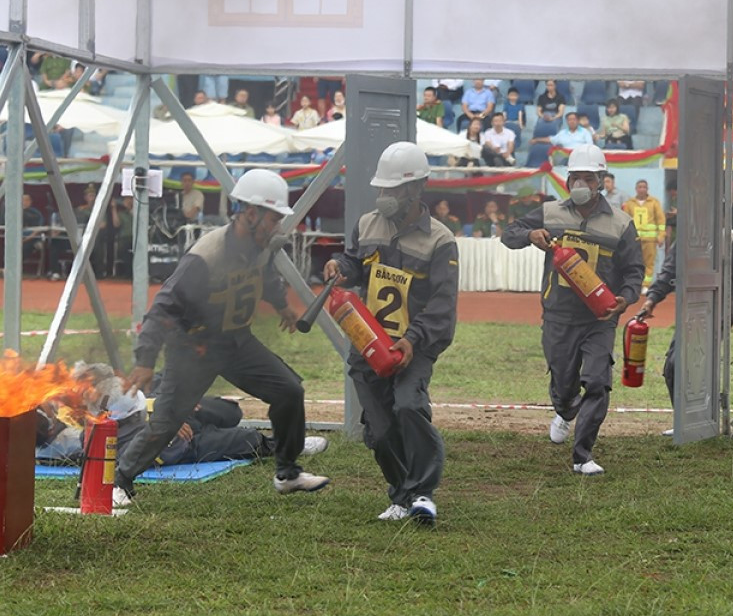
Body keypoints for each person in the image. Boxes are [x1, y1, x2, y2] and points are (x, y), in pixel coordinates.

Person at [119, 169, 326, 507]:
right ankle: (120, 480)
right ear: (250, 214)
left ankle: (287, 473)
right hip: (194, 349)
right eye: (273, 218)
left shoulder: (261, 245)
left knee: (289, 390)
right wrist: (145, 361)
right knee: (167, 422)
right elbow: (162, 308)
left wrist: (282, 307)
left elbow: (266, 275)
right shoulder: (206, 256)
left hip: (236, 342)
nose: (277, 227)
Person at [324, 142, 458, 524]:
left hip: (410, 345)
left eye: (393, 190)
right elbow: (354, 261)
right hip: (367, 343)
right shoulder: (367, 224)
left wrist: (414, 340)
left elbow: (442, 304)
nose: (384, 197)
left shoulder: (440, 240)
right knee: (379, 430)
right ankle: (402, 494)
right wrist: (339, 265)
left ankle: (424, 493)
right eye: (381, 189)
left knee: (409, 407)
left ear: (418, 188)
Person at [501, 144, 644, 475]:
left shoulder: (621, 223)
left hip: (599, 318)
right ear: (567, 180)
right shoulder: (550, 214)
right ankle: (565, 411)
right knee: (564, 386)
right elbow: (510, 234)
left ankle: (583, 455)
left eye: (588, 178)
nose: (580, 184)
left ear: (601, 181)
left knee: (597, 381)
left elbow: (634, 270)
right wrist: (530, 234)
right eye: (575, 178)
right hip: (558, 315)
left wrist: (626, 297)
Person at [638, 215, 733, 434]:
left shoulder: (732, 240)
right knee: (673, 366)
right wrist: (651, 300)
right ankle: (688, 423)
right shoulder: (685, 240)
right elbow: (668, 273)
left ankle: (699, 423)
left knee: (686, 363)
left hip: (718, 313)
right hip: (691, 311)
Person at [38, 362, 329, 467]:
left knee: (231, 411)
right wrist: (162, 425)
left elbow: (110, 378)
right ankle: (290, 445)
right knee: (246, 440)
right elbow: (122, 430)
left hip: (167, 413)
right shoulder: (68, 443)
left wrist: (169, 407)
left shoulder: (64, 395)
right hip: (177, 442)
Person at [621, 180, 665, 286]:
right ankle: (635, 283)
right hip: (635, 239)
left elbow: (660, 219)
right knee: (634, 262)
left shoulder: (654, 202)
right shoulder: (630, 203)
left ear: (647, 189)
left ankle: (645, 285)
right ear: (636, 189)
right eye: (640, 187)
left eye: (644, 187)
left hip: (650, 240)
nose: (642, 189)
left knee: (649, 263)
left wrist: (661, 235)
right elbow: (625, 220)